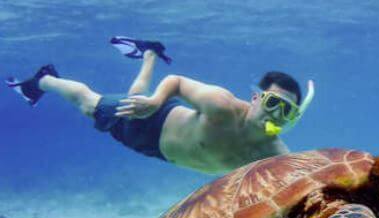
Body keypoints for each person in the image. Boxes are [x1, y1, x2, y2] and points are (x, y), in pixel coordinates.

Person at [6, 37, 315, 174]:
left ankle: (149, 54)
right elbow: (178, 82)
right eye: (273, 102)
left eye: (286, 110)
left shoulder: (274, 153)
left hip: (162, 154)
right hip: (153, 122)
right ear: (257, 98)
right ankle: (44, 81)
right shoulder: (222, 107)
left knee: (131, 96)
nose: (276, 113)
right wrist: (154, 103)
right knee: (89, 104)